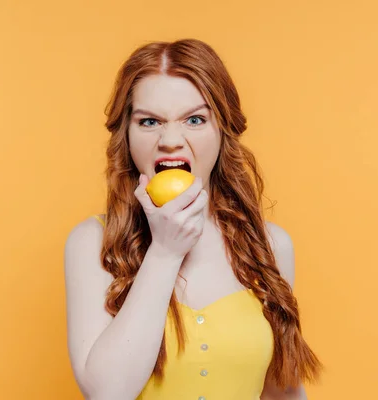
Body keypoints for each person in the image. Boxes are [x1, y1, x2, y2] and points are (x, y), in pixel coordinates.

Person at [64, 38, 321, 400]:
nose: (170, 140)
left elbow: (283, 393)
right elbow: (107, 393)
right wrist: (165, 252)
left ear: (223, 130)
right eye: (150, 121)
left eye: (195, 119)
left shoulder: (271, 246)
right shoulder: (92, 242)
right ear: (127, 133)